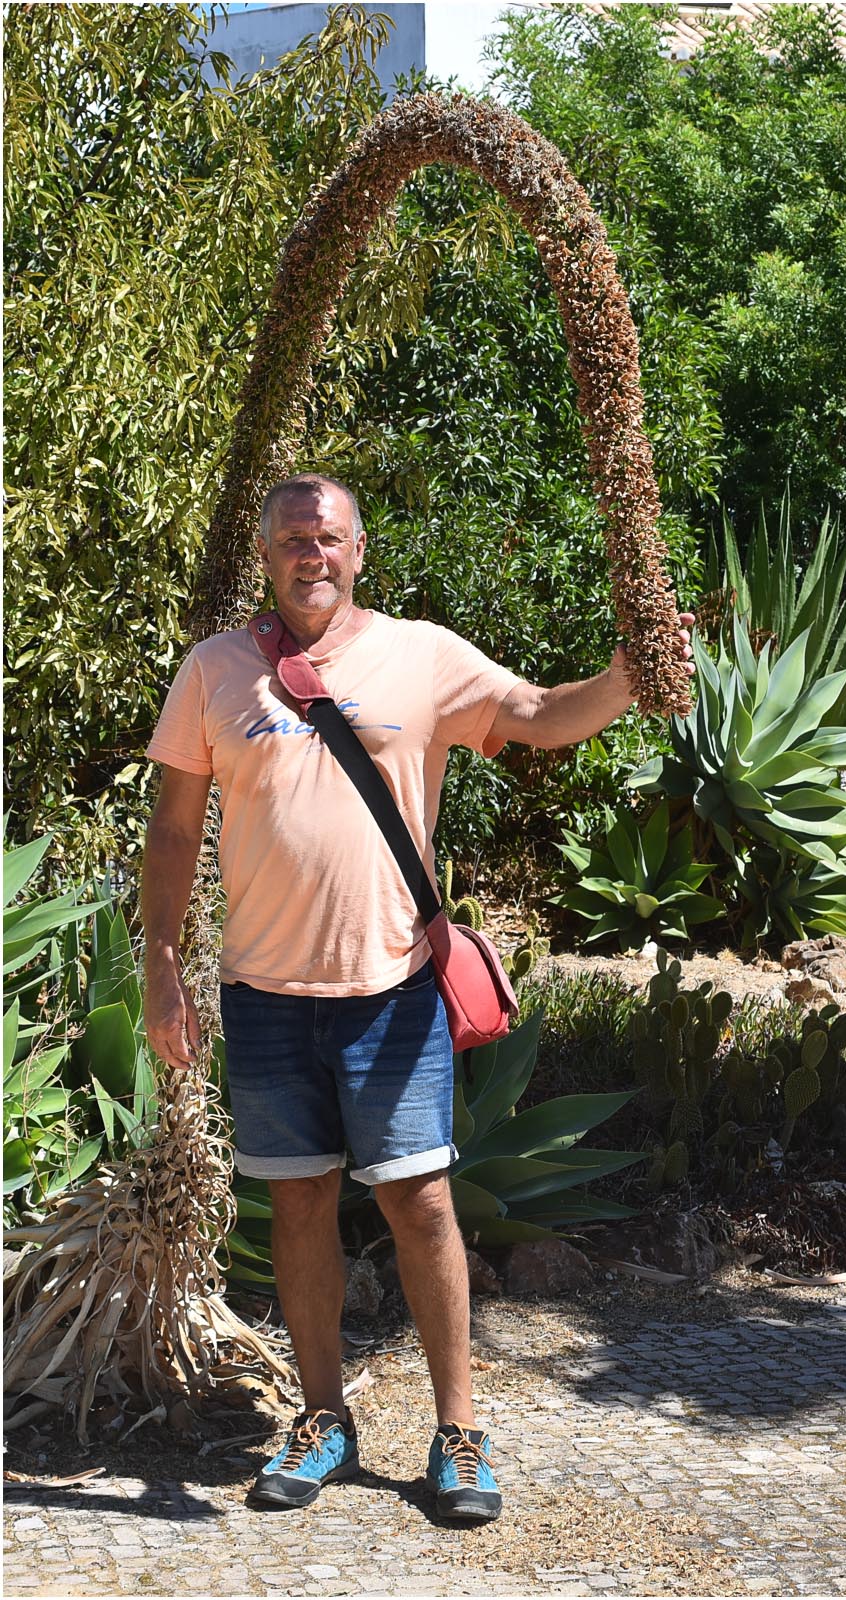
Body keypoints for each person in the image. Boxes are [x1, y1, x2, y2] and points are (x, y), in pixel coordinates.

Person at [138, 473, 685, 1524]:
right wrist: (162, 961)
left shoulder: (422, 655)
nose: (314, 555)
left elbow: (535, 715)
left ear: (359, 551)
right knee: (297, 1202)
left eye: (330, 538)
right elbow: (171, 829)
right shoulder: (214, 671)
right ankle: (323, 1416)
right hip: (265, 994)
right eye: (295, 538)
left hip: (390, 991)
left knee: (420, 1201)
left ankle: (459, 1432)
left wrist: (629, 676)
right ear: (267, 554)